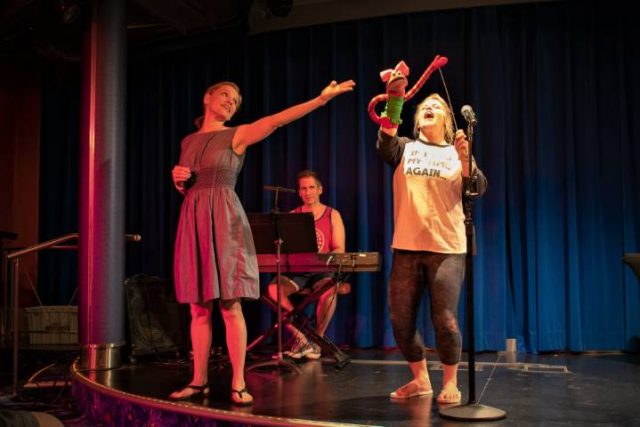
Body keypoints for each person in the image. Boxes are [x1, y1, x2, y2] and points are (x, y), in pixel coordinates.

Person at [170, 79, 355, 404]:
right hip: (193, 219)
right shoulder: (187, 141)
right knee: (198, 307)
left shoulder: (236, 134)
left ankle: (238, 382)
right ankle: (198, 381)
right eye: (226, 95)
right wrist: (179, 181)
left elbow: (277, 120)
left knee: (230, 303)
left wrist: (320, 100)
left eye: (236, 100)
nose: (231, 102)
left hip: (224, 219)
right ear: (207, 96)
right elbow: (190, 185)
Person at [375, 92, 487, 404]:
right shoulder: (405, 148)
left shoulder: (456, 152)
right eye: (424, 106)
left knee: (446, 319)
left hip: (447, 247)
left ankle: (450, 381)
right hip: (407, 246)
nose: (429, 109)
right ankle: (420, 378)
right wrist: (396, 97)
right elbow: (385, 138)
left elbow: (476, 188)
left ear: (447, 121)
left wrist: (466, 159)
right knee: (400, 320)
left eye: (436, 107)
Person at [266, 170, 346, 360]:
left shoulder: (332, 214)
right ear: (299, 192)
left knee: (328, 291)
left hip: (322, 271)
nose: (308, 192)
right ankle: (301, 339)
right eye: (304, 188)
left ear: (320, 190)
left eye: (311, 187)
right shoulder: (292, 216)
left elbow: (339, 249)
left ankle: (317, 341)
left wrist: (321, 261)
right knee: (273, 289)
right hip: (298, 272)